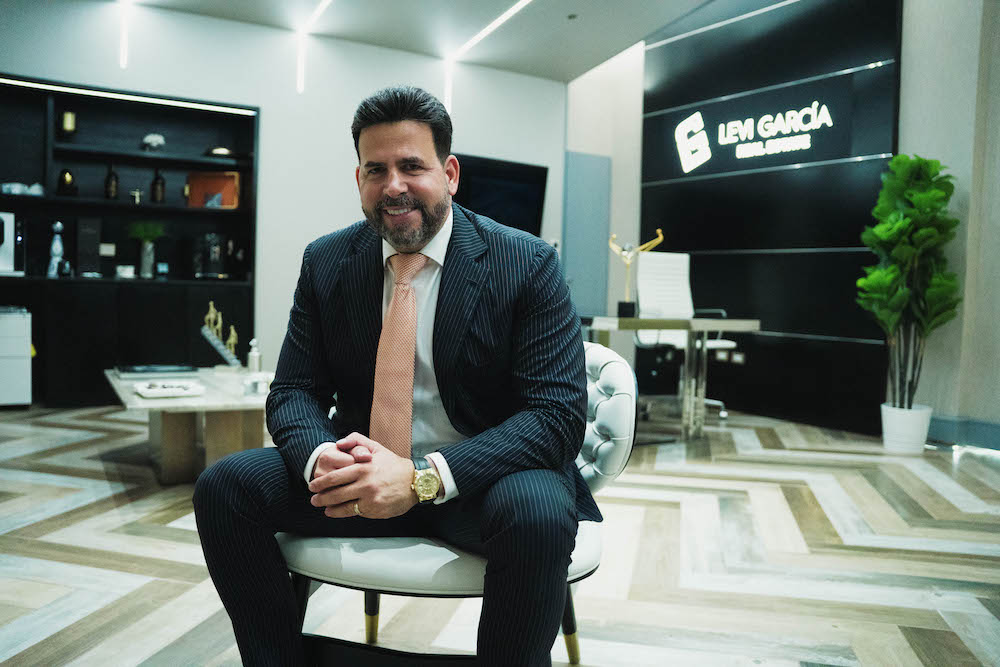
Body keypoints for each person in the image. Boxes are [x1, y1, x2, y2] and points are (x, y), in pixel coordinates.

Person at [193, 85, 600, 667]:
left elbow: (555, 418)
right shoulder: (326, 261)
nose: (393, 186)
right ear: (358, 178)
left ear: (449, 174)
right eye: (376, 170)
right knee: (225, 487)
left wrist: (421, 479)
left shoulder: (527, 263)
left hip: (481, 481)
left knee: (538, 513)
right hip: (359, 477)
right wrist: (321, 460)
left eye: (412, 166)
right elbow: (294, 392)